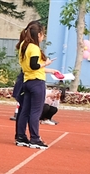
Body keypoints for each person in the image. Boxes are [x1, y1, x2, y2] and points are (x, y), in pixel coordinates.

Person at [14, 20, 60, 150]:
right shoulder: (34, 48)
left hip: (27, 81)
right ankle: (35, 138)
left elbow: (29, 67)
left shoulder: (24, 45)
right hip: (36, 82)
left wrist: (50, 70)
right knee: (35, 111)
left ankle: (21, 137)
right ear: (38, 34)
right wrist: (47, 63)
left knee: (25, 111)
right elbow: (35, 65)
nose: (43, 37)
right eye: (43, 34)